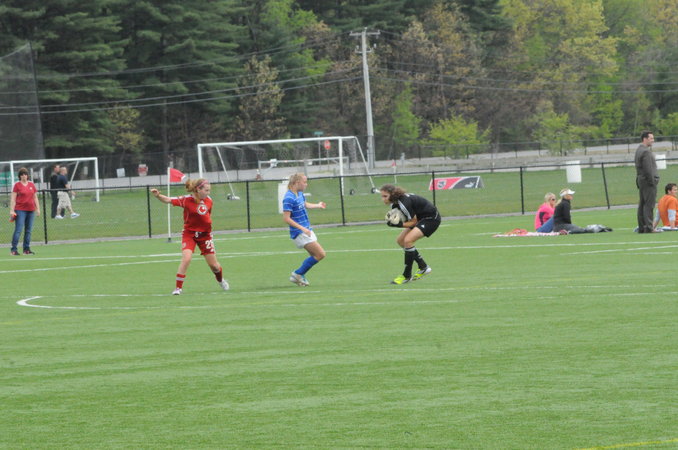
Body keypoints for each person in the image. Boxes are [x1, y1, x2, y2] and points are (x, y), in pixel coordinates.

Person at [150, 178, 229, 295]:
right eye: (206, 190)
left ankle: (220, 280)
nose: (208, 192)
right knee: (186, 259)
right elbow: (168, 200)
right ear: (198, 189)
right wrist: (158, 196)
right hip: (189, 234)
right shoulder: (186, 200)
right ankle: (178, 288)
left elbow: (207, 216)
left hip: (205, 235)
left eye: (209, 190)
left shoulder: (209, 200)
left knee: (214, 266)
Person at [380, 184, 441, 285]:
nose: (383, 199)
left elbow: (413, 222)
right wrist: (397, 223)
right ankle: (423, 267)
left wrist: (399, 224)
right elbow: (410, 220)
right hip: (421, 219)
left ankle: (406, 276)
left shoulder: (404, 203)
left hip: (431, 219)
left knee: (408, 240)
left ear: (393, 194)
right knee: (400, 241)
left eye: (385, 196)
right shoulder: (395, 203)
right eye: (382, 196)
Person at [282, 173, 327, 287]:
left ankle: (299, 275)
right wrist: (302, 229)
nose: (306, 184)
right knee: (320, 254)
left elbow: (305, 204)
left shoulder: (299, 194)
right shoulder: (289, 198)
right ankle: (297, 274)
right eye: (305, 182)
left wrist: (318, 205)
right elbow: (286, 218)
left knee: (315, 255)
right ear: (297, 183)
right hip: (300, 232)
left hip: (306, 230)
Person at [9, 167, 40, 255]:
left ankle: (26, 249)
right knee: (18, 230)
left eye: (25, 174)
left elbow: (35, 197)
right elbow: (13, 199)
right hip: (20, 210)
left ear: (27, 175)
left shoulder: (31, 185)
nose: (24, 176)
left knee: (28, 231)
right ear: (19, 176)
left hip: (31, 210)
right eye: (22, 174)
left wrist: (38, 209)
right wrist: (12, 210)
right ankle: (13, 250)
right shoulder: (17, 185)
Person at [635, 130, 659, 233]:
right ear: (645, 139)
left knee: (642, 204)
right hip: (647, 181)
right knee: (649, 204)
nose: (653, 140)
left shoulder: (639, 149)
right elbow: (648, 169)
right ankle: (649, 227)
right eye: (651, 138)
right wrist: (652, 181)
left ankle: (642, 227)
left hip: (641, 180)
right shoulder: (646, 151)